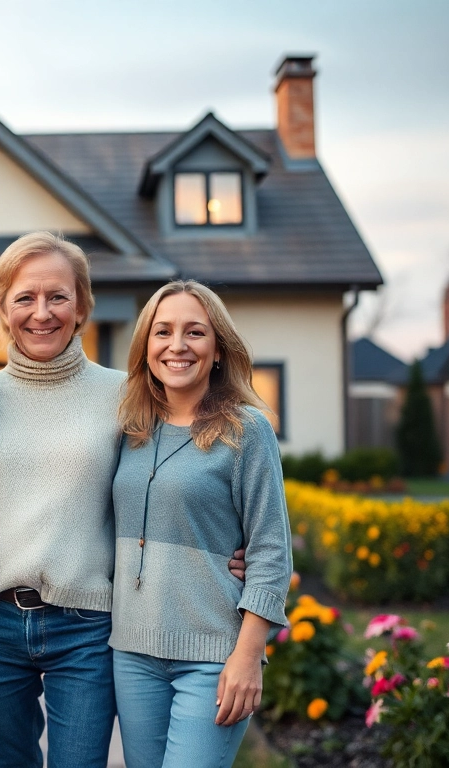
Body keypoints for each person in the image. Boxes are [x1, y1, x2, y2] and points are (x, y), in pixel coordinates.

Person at [0, 232, 249, 768]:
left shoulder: (130, 396)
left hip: (87, 623)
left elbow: (185, 469)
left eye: (58, 297)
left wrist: (233, 544)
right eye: (25, 298)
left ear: (82, 307)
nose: (42, 312)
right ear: (1, 306)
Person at [110, 280, 292, 767]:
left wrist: (248, 655)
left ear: (218, 349)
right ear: (146, 346)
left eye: (194, 332)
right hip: (132, 652)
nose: (177, 345)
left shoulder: (246, 430)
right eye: (163, 332)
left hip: (213, 655)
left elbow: (271, 551)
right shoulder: (129, 428)